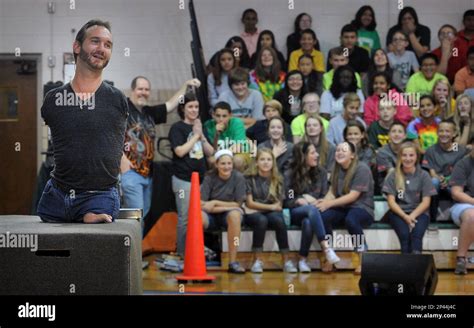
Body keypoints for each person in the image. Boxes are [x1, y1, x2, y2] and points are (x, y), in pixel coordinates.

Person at [38, 20, 128, 224]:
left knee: (89, 248)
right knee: (49, 252)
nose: (101, 49)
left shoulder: (117, 100)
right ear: (77, 47)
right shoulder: (53, 100)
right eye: (95, 41)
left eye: (107, 45)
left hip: (99, 197)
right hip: (56, 197)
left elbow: (111, 145)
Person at [121, 76, 200, 232]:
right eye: (140, 89)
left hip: (147, 174)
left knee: (142, 214)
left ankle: (134, 254)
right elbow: (109, 134)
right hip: (130, 172)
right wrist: (121, 158)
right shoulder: (123, 110)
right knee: (135, 217)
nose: (143, 92)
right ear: (132, 90)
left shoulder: (149, 112)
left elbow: (171, 104)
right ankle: (131, 255)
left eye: (146, 89)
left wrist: (185, 85)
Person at [318, 141, 375, 274]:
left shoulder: (362, 168)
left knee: (352, 219)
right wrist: (322, 203)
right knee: (323, 216)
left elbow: (353, 196)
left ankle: (362, 259)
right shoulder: (336, 168)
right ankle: (329, 257)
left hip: (362, 208)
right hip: (343, 208)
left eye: (344, 150)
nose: (339, 152)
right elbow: (332, 191)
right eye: (338, 150)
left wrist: (329, 204)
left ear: (353, 155)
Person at [169, 93, 215, 258]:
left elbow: (211, 153)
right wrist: (195, 135)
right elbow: (180, 151)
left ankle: (197, 250)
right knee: (185, 217)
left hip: (202, 180)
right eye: (190, 107)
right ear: (183, 108)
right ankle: (182, 253)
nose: (194, 110)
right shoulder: (177, 128)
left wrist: (201, 135)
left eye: (196, 107)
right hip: (183, 180)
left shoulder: (200, 129)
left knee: (199, 217)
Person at [284, 142, 340, 273]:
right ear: (303, 156)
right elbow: (287, 201)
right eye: (313, 153)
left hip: (314, 212)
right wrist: (298, 200)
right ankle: (327, 248)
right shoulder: (290, 174)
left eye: (316, 152)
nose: (317, 155)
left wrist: (311, 200)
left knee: (308, 222)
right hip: (295, 212)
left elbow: (323, 197)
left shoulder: (321, 172)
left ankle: (302, 259)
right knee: (310, 210)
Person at [244, 148, 297, 273]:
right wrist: (270, 207)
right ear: (256, 162)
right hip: (253, 212)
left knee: (279, 221)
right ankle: (257, 260)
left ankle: (286, 261)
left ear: (273, 162)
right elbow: (250, 203)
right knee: (261, 220)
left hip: (271, 211)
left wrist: (270, 208)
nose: (266, 162)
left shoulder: (278, 179)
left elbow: (279, 205)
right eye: (262, 159)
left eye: (269, 159)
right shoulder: (249, 178)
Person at [383, 142, 437, 254]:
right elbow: (391, 202)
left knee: (417, 235)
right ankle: (405, 267)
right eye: (404, 155)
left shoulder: (424, 175)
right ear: (399, 157)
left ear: (416, 157)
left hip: (419, 212)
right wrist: (405, 216)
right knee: (404, 236)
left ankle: (417, 266)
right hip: (398, 212)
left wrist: (412, 216)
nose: (408, 159)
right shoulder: (393, 175)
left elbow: (426, 202)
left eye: (411, 155)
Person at [201, 150, 246, 273]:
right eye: (223, 164)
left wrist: (215, 202)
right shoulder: (209, 177)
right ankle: (199, 258)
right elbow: (202, 204)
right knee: (197, 217)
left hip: (228, 214)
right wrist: (214, 206)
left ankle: (233, 262)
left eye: (229, 163)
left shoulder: (238, 177)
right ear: (216, 165)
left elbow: (238, 204)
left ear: (232, 164)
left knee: (235, 216)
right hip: (211, 215)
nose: (226, 167)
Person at [450, 139, 474, 274]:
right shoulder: (463, 164)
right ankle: (461, 259)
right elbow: (456, 193)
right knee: (472, 216)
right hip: (464, 204)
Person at [376, 121, 407, 193]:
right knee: (396, 176)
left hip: (408, 182)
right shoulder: (382, 152)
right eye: (393, 131)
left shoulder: (409, 150)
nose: (396, 134)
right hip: (388, 186)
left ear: (405, 135)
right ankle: (401, 198)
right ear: (389, 135)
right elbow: (390, 172)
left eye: (400, 132)